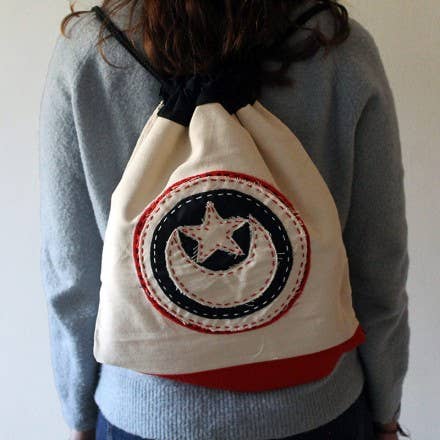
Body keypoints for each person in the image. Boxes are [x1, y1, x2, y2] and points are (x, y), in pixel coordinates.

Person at [38, 1, 411, 439]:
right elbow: (379, 265)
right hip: (319, 412)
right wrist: (386, 410)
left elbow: (72, 278)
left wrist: (79, 416)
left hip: (142, 417)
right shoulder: (338, 48)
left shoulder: (90, 51)